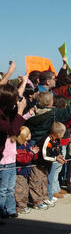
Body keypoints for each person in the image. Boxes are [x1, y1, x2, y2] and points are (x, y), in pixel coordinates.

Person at [0, 83, 27, 219]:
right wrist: (20, 112)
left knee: (10, 188)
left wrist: (19, 101)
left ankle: (9, 210)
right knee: (3, 189)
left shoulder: (5, 109)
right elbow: (12, 130)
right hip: (3, 161)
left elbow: (11, 115)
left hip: (8, 159)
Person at [15, 126, 39, 215]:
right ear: (24, 136)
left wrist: (35, 154)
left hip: (26, 171)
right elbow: (22, 160)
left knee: (26, 188)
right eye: (28, 133)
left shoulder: (28, 145)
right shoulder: (19, 147)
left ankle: (24, 204)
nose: (30, 134)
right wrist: (31, 153)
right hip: (19, 172)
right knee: (20, 190)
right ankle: (20, 207)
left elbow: (32, 158)